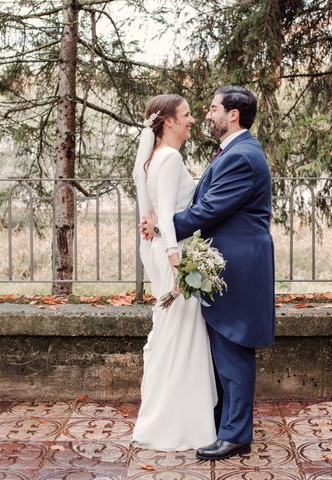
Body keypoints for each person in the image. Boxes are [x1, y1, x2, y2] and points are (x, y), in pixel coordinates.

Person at [142, 86, 276, 460]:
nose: (207, 114)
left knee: (234, 347)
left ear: (233, 115)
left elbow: (208, 211)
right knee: (224, 345)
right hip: (230, 260)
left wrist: (164, 228)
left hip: (239, 264)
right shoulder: (234, 151)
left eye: (214, 108)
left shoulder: (242, 156)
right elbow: (204, 201)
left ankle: (235, 434)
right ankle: (225, 424)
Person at [131, 94, 217, 451]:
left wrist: (154, 228)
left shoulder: (152, 160)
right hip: (175, 259)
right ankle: (177, 424)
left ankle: (178, 419)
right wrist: (176, 264)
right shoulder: (169, 158)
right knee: (180, 339)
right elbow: (165, 214)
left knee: (175, 336)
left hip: (168, 251)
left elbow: (153, 215)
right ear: (167, 122)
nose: (192, 119)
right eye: (186, 114)